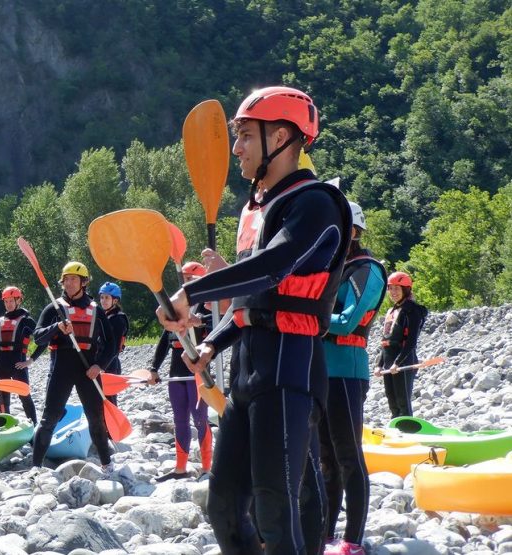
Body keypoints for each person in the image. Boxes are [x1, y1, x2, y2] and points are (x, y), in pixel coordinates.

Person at [157, 86, 352, 555]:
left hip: (290, 370)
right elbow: (254, 299)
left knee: (275, 506)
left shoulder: (317, 204)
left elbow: (275, 266)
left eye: (245, 135)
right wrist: (212, 344)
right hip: (248, 373)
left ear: (282, 136)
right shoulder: (263, 211)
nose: (236, 148)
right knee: (223, 507)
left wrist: (193, 292)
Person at [320, 202, 387, 555]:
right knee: (325, 456)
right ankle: (326, 532)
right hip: (321, 371)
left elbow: (347, 321)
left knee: (348, 455)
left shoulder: (368, 270)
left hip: (347, 371)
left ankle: (354, 539)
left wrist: (308, 318)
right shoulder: (332, 268)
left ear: (353, 232)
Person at [32, 261, 115, 470]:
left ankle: (107, 465)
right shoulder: (55, 307)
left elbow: (112, 344)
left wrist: (100, 365)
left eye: (73, 279)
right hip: (61, 368)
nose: (68, 283)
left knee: (96, 419)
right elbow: (38, 337)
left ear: (83, 282)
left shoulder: (96, 309)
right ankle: (36, 468)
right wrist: (57, 327)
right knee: (49, 419)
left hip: (88, 370)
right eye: (66, 279)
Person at [149, 261, 213, 481]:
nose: (187, 283)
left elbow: (218, 327)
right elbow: (164, 341)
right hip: (176, 373)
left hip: (198, 374)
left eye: (192, 279)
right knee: (180, 420)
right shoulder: (175, 308)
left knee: (200, 420)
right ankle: (180, 468)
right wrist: (153, 369)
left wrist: (200, 323)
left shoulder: (208, 307)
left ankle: (206, 467)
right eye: (185, 279)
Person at [374, 271, 427, 419]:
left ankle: (407, 428)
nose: (393, 292)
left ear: (406, 289)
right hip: (389, 362)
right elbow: (386, 342)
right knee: (392, 401)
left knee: (403, 401)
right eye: (391, 288)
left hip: (404, 360)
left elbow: (411, 342)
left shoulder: (413, 311)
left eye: (397, 288)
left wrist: (397, 363)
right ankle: (396, 430)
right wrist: (379, 364)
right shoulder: (391, 311)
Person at [0, 286, 41, 424]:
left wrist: (30, 361)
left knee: (25, 396)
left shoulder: (27, 320)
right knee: (3, 399)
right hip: (0, 364)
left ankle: (34, 426)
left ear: (18, 301)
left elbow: (43, 341)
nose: (9, 304)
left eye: (12, 301)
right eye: (6, 301)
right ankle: (6, 426)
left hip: (18, 364)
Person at [98, 281, 129, 405]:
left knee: (109, 401)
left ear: (115, 300)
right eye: (102, 297)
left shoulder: (118, 319)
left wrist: (102, 366)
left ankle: (111, 424)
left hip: (110, 364)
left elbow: (114, 348)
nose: (103, 301)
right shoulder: (102, 317)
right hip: (100, 363)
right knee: (98, 401)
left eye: (107, 298)